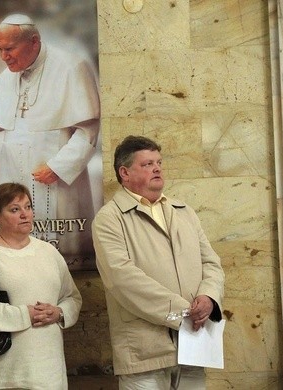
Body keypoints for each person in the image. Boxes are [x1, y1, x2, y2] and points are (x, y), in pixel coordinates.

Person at [0, 13, 100, 255]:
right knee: (15, 251)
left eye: (9, 49)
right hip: (14, 175)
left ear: (34, 42)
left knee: (58, 249)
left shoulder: (71, 67)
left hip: (53, 179)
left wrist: (58, 167)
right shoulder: (11, 73)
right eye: (0, 49)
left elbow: (88, 131)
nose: (3, 57)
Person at [91, 136, 225, 389]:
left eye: (159, 162)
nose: (157, 168)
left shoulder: (184, 211)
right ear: (125, 172)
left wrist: (208, 298)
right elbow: (122, 278)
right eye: (147, 164)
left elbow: (211, 263)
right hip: (145, 353)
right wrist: (184, 312)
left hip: (194, 347)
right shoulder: (109, 219)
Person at [0, 182, 82, 389]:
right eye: (15, 209)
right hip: (4, 376)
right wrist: (25, 315)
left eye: (28, 207)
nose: (25, 214)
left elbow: (72, 297)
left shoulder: (48, 251)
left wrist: (59, 312)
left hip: (49, 374)